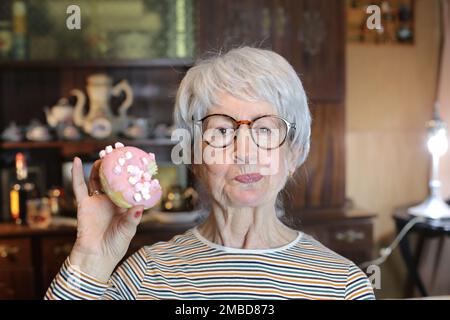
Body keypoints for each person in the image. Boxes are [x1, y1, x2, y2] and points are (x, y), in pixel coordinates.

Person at [45, 47, 375, 300]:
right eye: (220, 131)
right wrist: (90, 258)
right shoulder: (147, 274)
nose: (244, 151)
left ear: (295, 153)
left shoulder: (341, 284)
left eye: (265, 130)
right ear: (192, 155)